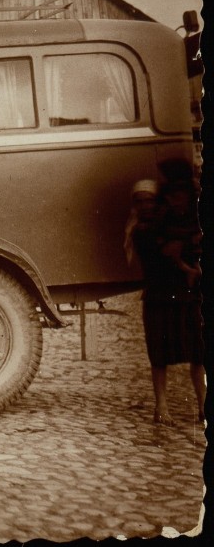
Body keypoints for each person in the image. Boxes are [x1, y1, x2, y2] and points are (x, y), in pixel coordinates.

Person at [127, 169, 205, 426]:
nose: (145, 206)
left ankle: (203, 405)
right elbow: (167, 251)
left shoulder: (169, 224)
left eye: (149, 200)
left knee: (199, 354)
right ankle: (161, 407)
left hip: (186, 295)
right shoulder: (140, 231)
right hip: (159, 297)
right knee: (159, 356)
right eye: (140, 201)